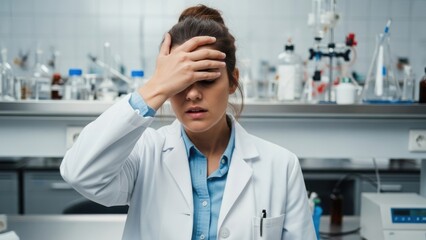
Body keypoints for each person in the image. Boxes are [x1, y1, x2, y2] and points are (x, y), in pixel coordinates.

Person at [60, 5, 316, 240]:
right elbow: (80, 173)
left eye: (206, 79)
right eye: (180, 81)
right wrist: (155, 87)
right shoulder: (145, 153)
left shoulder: (281, 166)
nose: (192, 94)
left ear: (233, 81)